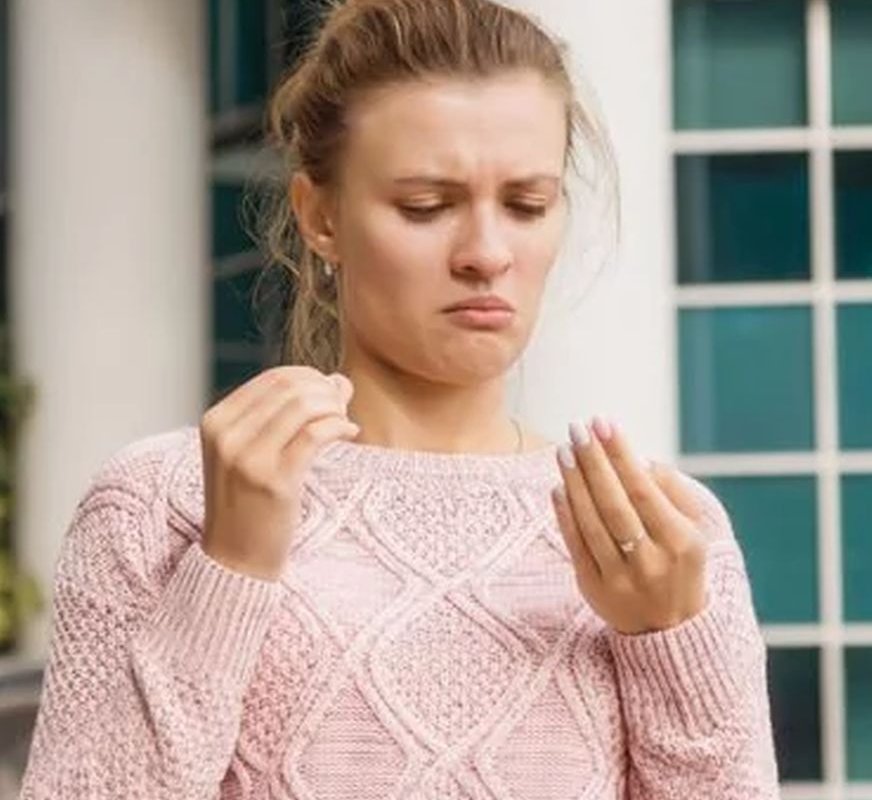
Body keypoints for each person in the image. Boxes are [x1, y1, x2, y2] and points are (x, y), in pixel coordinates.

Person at [18, 0, 781, 797]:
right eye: (426, 206)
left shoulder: (659, 534)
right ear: (319, 217)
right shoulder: (162, 505)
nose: (486, 253)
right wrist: (229, 572)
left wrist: (667, 640)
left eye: (526, 205)